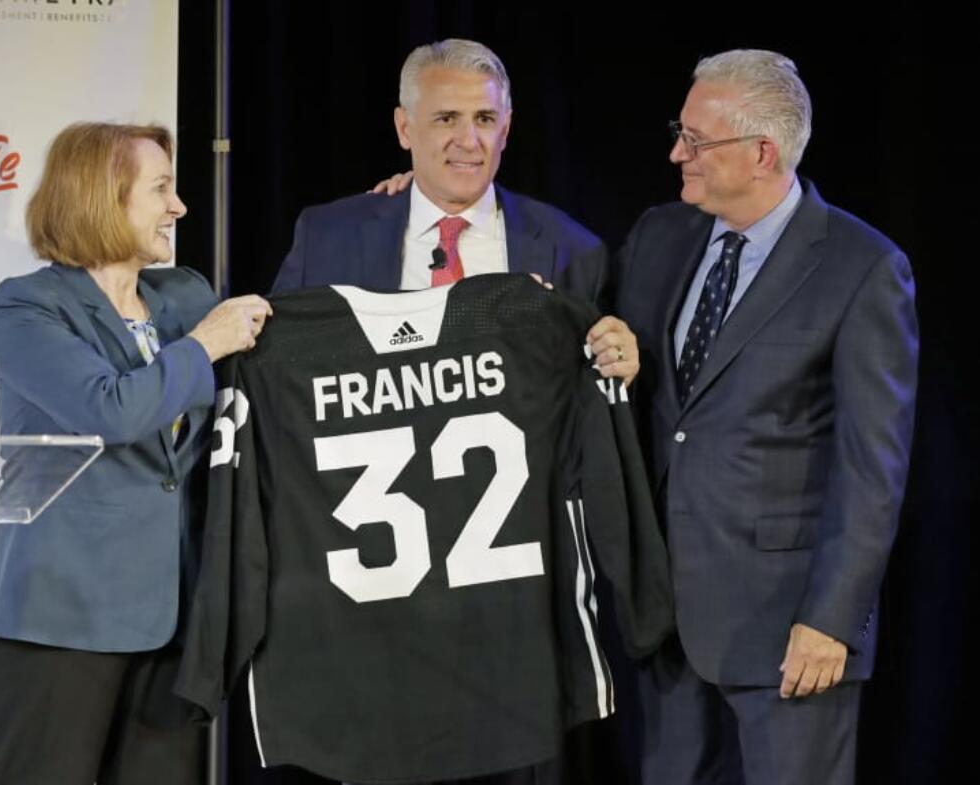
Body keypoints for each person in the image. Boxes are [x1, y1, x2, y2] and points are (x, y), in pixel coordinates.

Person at [613, 50, 918, 785]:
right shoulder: (660, 235)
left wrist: (832, 620)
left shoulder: (860, 266)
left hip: (790, 630)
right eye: (679, 132)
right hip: (671, 625)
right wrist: (409, 200)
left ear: (762, 153)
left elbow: (871, 468)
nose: (675, 153)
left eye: (696, 139)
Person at [0, 121, 271, 785]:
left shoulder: (187, 296)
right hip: (62, 622)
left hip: (171, 623)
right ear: (104, 197)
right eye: (162, 188)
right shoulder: (26, 307)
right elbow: (109, 410)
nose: (179, 207)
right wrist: (202, 346)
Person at [273, 38, 637, 385]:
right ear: (404, 128)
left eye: (484, 119)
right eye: (446, 119)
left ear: (506, 129)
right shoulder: (326, 238)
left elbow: (597, 401)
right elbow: (276, 373)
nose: (468, 141)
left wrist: (620, 366)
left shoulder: (574, 252)